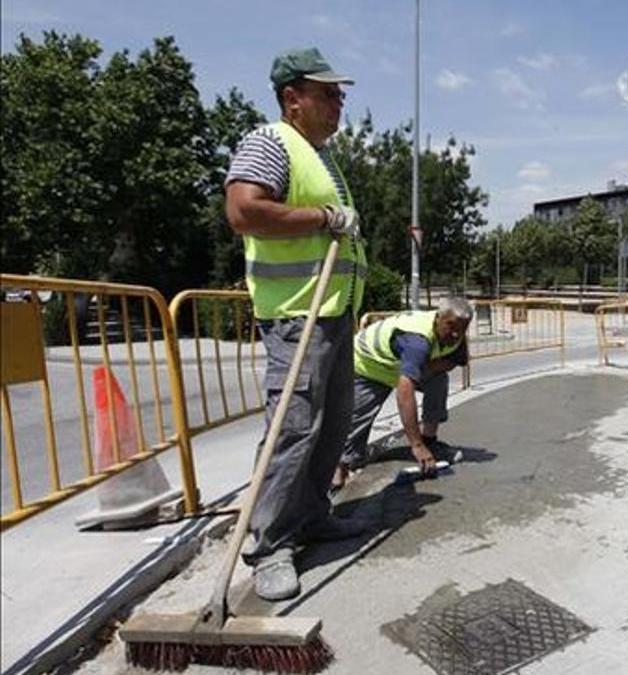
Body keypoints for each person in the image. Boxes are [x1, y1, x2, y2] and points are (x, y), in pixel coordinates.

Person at [224, 47, 368, 601]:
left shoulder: (320, 156)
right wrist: (322, 218)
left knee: (331, 425)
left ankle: (309, 517)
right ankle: (269, 544)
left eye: (340, 94)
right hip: (297, 316)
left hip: (332, 314)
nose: (340, 102)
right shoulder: (270, 142)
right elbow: (243, 211)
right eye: (328, 93)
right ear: (293, 99)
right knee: (294, 426)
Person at [332, 298, 473, 489]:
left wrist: (423, 370)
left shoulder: (456, 336)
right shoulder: (418, 341)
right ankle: (340, 469)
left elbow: (455, 360)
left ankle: (429, 440)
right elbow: (404, 394)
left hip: (399, 364)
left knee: (438, 380)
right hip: (368, 365)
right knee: (357, 418)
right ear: (438, 318)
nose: (456, 334)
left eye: (462, 329)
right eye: (450, 326)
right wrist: (416, 446)